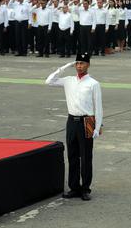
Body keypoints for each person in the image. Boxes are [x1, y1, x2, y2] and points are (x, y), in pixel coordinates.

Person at [45, 53, 102, 201]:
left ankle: (85, 189)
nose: (79, 66)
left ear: (88, 65)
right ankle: (74, 187)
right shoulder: (68, 80)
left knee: (86, 157)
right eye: (77, 64)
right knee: (72, 155)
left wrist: (97, 127)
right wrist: (64, 67)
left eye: (82, 63)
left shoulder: (93, 83)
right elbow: (48, 81)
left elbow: (99, 107)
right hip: (71, 120)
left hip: (87, 121)